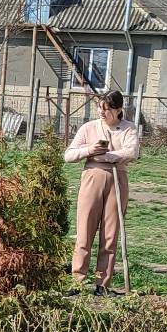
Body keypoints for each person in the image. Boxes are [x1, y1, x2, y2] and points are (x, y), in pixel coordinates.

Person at [63, 90, 140, 294]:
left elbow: (131, 152)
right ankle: (77, 281)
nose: (102, 112)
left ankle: (101, 284)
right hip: (92, 178)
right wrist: (90, 151)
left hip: (117, 179)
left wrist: (105, 156)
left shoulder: (128, 128)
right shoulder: (89, 128)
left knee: (110, 235)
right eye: (100, 107)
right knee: (84, 232)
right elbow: (69, 155)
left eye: (107, 109)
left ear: (118, 110)